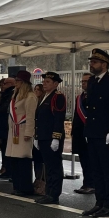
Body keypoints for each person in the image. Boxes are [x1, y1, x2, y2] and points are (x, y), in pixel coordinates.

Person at [81, 51, 109, 218]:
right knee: (96, 169)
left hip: (106, 133)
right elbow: (90, 108)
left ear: (104, 64)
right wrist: (88, 130)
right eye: (91, 61)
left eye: (95, 62)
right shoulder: (93, 81)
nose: (91, 64)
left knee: (107, 169)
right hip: (93, 131)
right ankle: (99, 203)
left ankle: (108, 205)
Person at [35, 72, 68, 205]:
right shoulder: (45, 96)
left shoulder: (57, 97)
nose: (44, 84)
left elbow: (58, 118)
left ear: (55, 84)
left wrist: (56, 137)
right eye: (44, 81)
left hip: (51, 138)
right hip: (43, 136)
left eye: (48, 82)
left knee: (54, 166)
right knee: (48, 166)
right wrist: (37, 136)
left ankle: (54, 194)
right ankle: (48, 192)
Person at [5, 71, 38, 196]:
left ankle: (25, 188)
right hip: (14, 131)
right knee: (14, 160)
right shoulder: (16, 95)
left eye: (18, 81)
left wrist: (29, 133)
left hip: (23, 131)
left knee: (23, 160)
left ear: (24, 83)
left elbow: (31, 116)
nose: (16, 83)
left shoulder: (30, 96)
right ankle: (17, 186)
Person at [72, 73, 94, 195]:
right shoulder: (80, 97)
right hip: (80, 133)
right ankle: (86, 183)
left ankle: (91, 184)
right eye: (82, 81)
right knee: (84, 160)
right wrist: (74, 132)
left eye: (86, 81)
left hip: (90, 133)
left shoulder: (94, 96)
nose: (83, 83)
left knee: (91, 160)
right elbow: (76, 116)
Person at [0, 76, 16, 181]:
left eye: (5, 84)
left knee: (8, 150)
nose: (2, 86)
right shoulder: (2, 94)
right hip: (2, 126)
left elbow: (4, 108)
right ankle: (5, 168)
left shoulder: (11, 94)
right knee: (3, 149)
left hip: (7, 126)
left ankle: (9, 170)